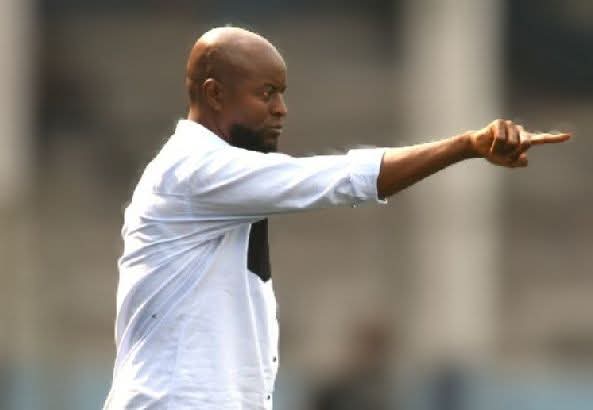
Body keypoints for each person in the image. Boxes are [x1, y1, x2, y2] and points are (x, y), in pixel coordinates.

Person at [103, 26, 570, 409]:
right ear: (215, 94)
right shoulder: (194, 171)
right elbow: (339, 178)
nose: (281, 109)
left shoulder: (217, 176)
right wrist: (465, 146)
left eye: (282, 93)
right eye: (267, 93)